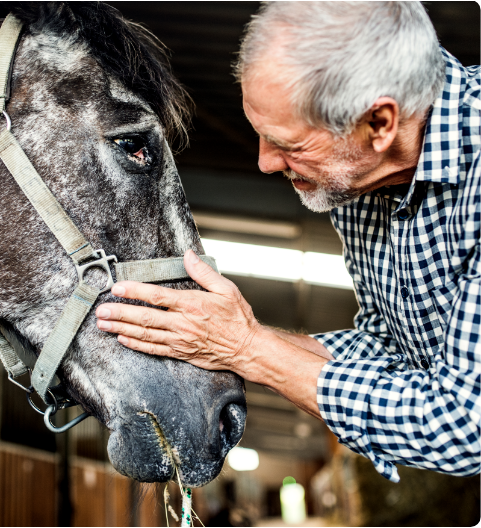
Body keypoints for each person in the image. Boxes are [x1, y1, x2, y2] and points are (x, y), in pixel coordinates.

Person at [95, 1, 481, 482]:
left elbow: (464, 425)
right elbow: (390, 351)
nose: (265, 163)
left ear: (379, 123)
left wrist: (249, 349)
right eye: (260, 135)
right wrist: (219, 340)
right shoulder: (361, 179)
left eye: (289, 145)